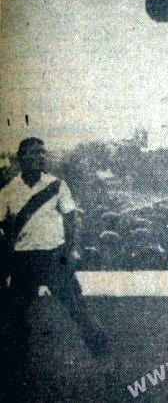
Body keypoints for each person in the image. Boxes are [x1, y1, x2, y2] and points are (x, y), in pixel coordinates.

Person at [0, 138, 110, 398]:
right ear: (21, 158)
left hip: (54, 257)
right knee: (16, 317)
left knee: (76, 307)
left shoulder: (57, 185)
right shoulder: (8, 191)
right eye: (33, 154)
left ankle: (104, 357)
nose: (40, 158)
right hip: (23, 260)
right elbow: (3, 226)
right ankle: (16, 373)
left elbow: (71, 220)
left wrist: (71, 250)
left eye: (42, 153)